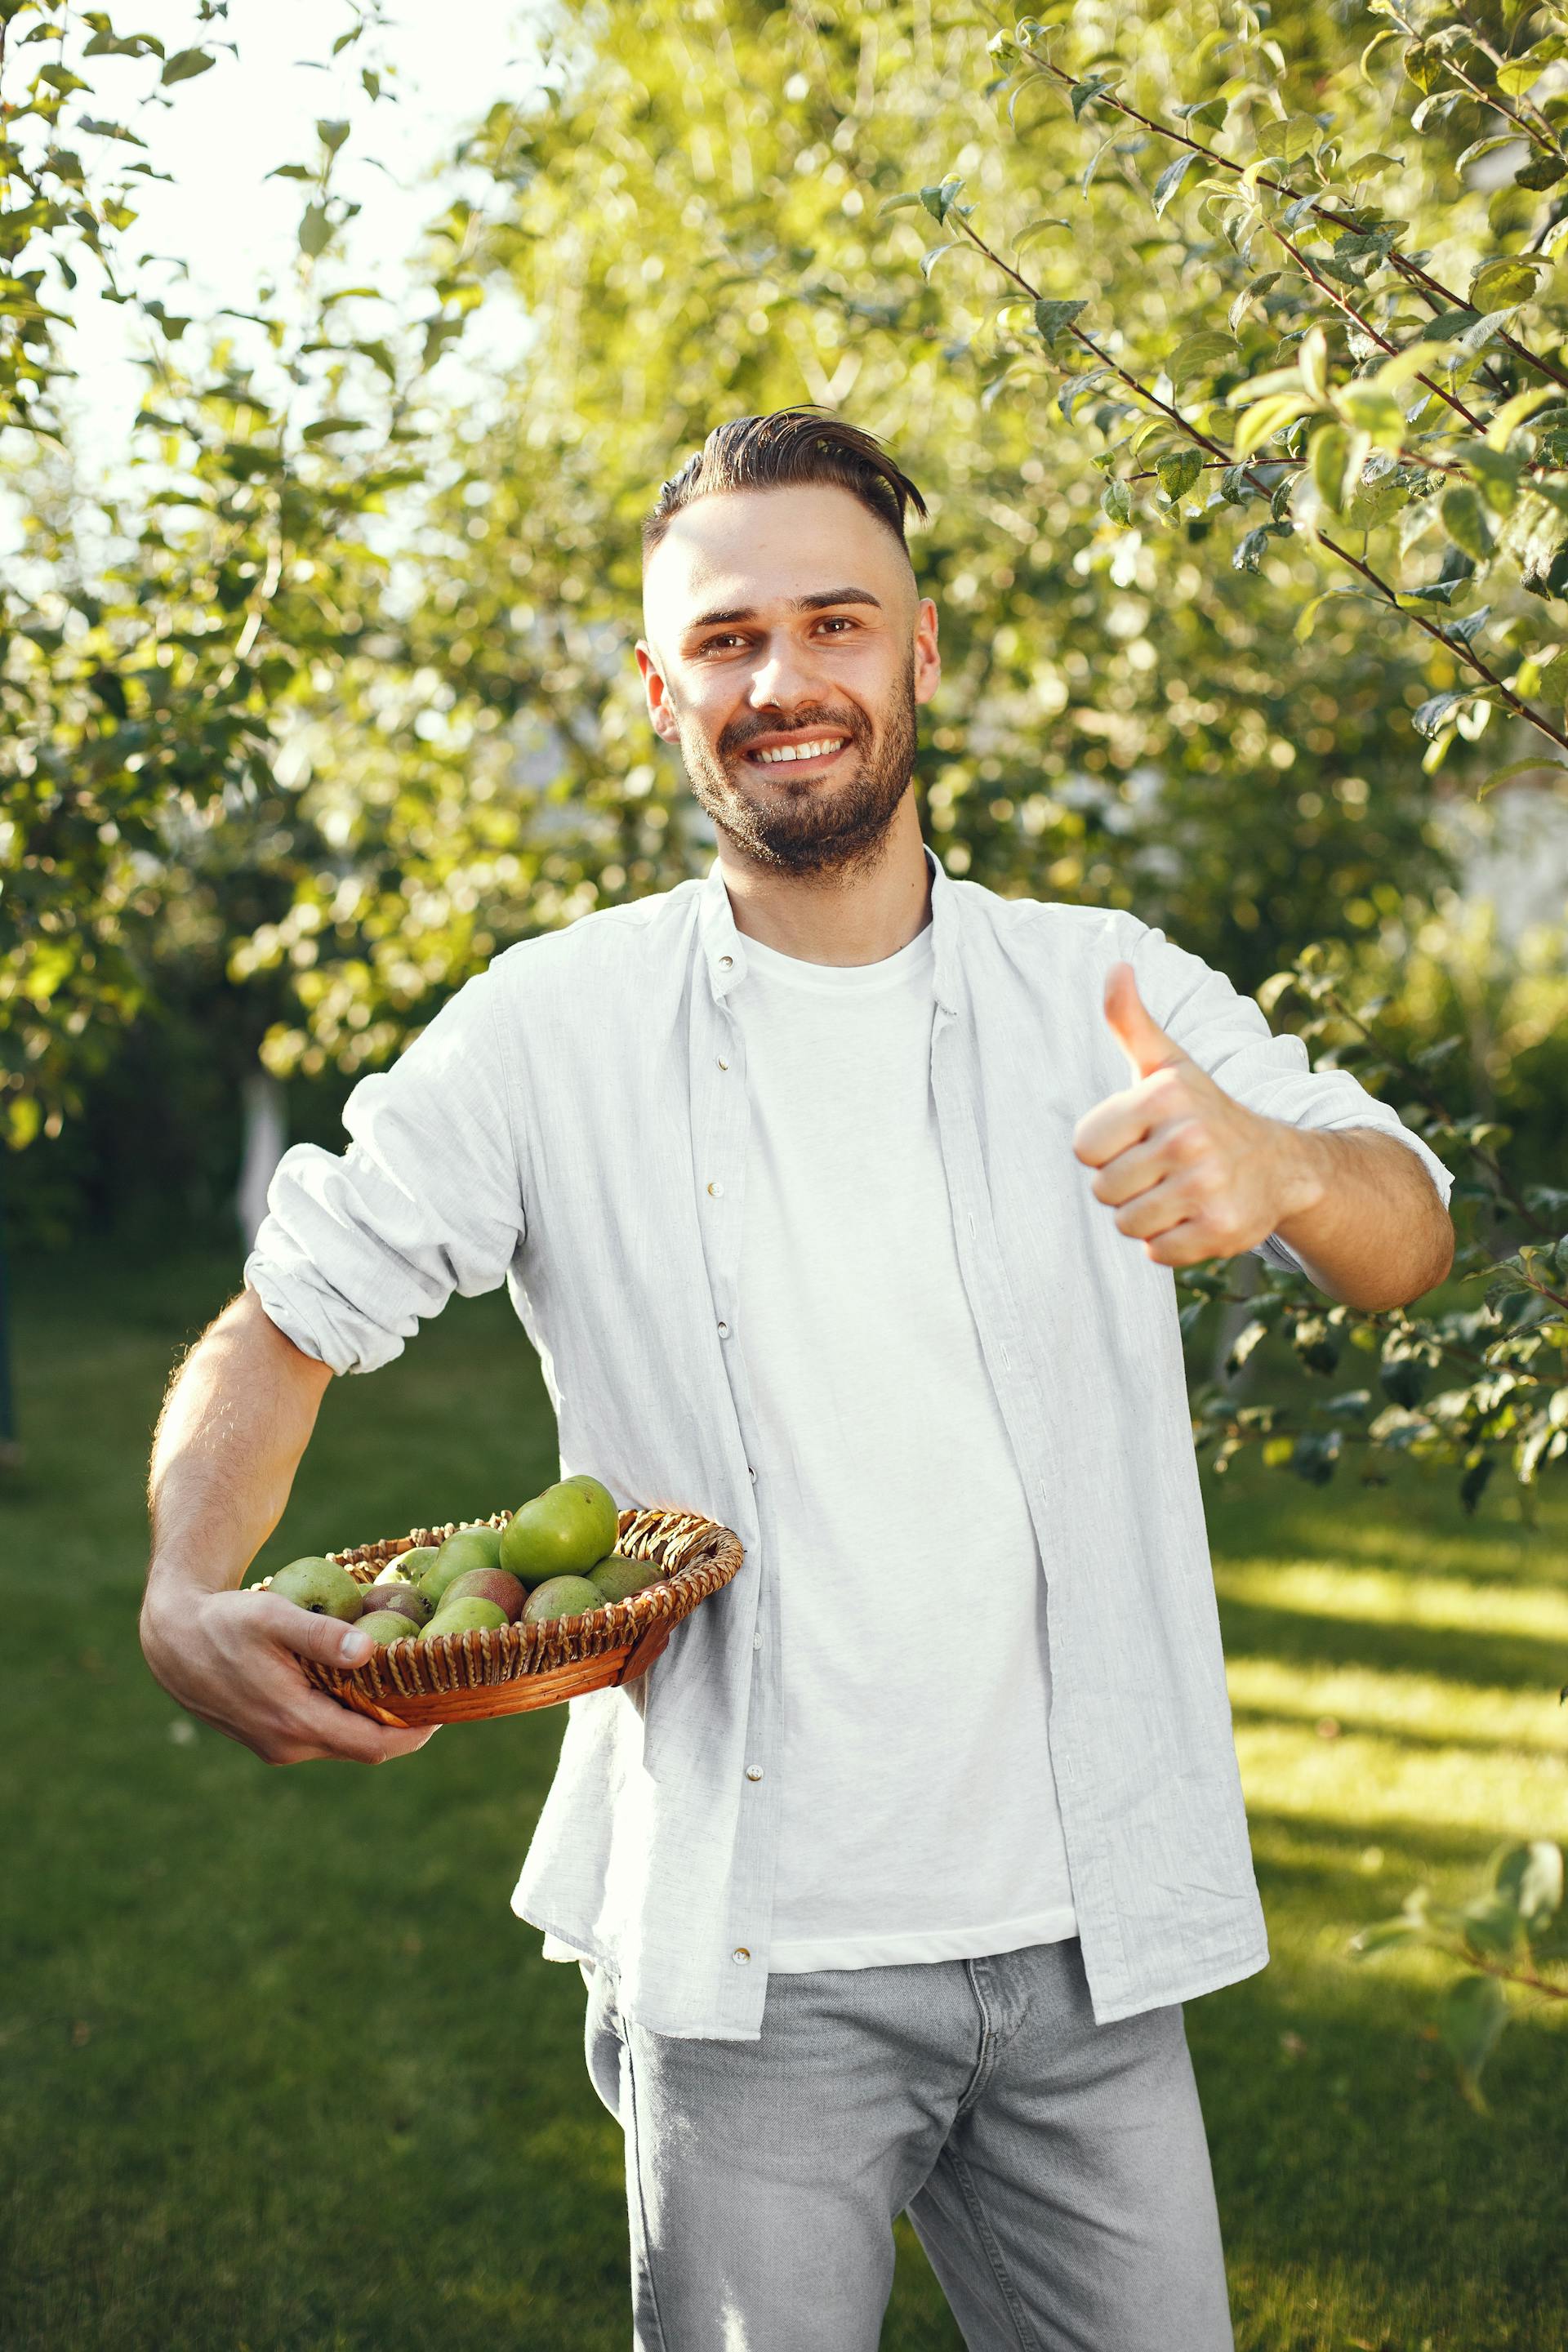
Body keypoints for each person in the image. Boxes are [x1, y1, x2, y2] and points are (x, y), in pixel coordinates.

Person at [140, 408, 1455, 2351]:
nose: (786, 681)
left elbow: (1409, 1227)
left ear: (921, 654)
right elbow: (286, 1320)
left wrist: (1280, 1168)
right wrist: (183, 1585)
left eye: (837, 624)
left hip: (1085, 1950)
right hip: (753, 1976)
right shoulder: (550, 1025)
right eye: (731, 638)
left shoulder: (1099, 987)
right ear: (661, 686)